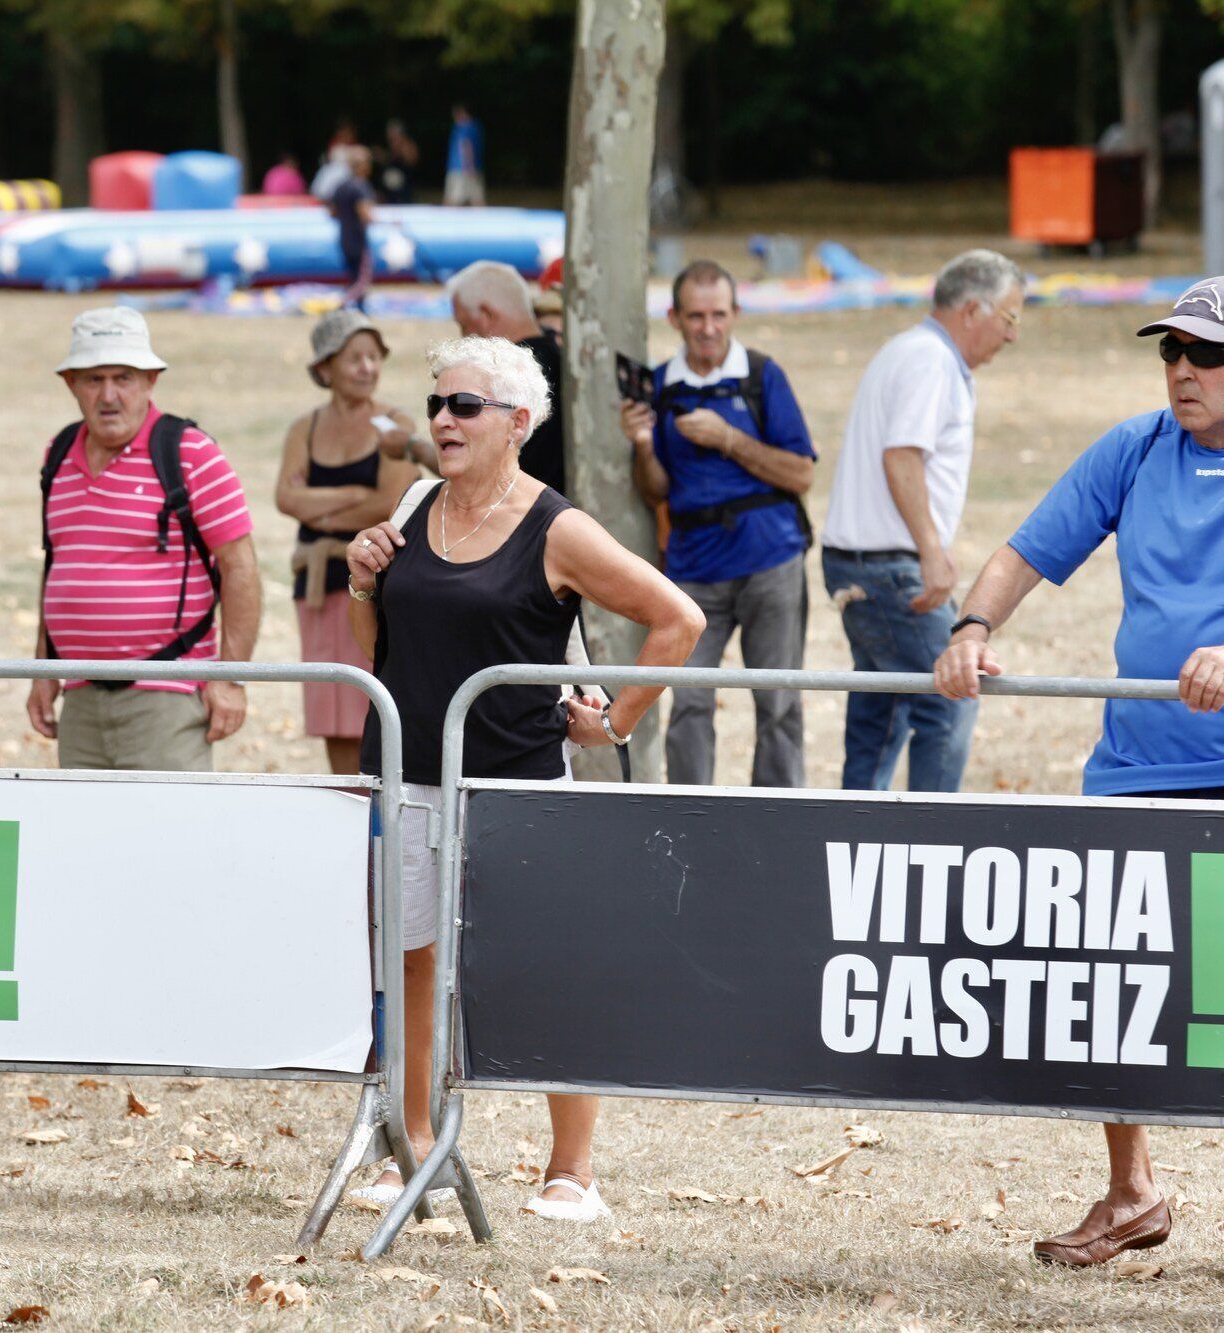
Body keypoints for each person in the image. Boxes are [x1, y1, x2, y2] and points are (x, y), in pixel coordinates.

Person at [933, 277, 1224, 1287]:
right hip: (1136, 763)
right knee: (1110, 986)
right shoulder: (1132, 450)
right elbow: (1024, 551)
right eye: (1169, 351)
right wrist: (970, 628)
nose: (1181, 369)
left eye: (1207, 354)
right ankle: (1131, 1192)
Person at [343, 335, 705, 1222]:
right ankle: (414, 1146)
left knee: (543, 971)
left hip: (517, 789)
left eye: (464, 406)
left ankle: (573, 1170)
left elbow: (678, 619)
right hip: (410, 778)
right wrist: (360, 585)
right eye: (437, 403)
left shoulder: (559, 527)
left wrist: (615, 719)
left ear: (517, 422)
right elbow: (379, 657)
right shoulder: (417, 502)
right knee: (413, 963)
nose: (442, 419)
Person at [821, 249, 1024, 792]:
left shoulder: (912, 351)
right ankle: (932, 834)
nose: (1011, 336)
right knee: (953, 692)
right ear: (973, 310)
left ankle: (854, 834)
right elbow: (902, 455)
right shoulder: (930, 360)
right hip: (889, 567)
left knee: (881, 712)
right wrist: (931, 550)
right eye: (1009, 319)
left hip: (863, 562)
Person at [26, 309, 262, 772]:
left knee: (170, 840)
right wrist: (43, 671)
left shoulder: (190, 453)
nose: (109, 395)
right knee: (84, 840)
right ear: (71, 383)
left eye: (124, 378)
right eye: (94, 379)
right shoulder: (57, 455)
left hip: (168, 699)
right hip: (80, 698)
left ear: (151, 380)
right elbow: (59, 567)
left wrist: (231, 679)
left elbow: (242, 567)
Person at [622, 260, 818, 787]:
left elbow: (801, 473)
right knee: (687, 702)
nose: (708, 328)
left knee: (777, 701)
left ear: (735, 314)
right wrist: (642, 444)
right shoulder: (659, 386)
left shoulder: (760, 375)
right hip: (693, 564)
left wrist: (729, 439)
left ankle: (776, 816)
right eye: (696, 316)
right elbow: (655, 491)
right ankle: (692, 817)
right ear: (674, 318)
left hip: (770, 556)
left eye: (718, 315)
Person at [275, 310, 417, 773]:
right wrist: (354, 494)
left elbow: (389, 504)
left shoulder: (395, 426)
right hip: (316, 586)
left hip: (374, 585)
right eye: (354, 358)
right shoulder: (305, 428)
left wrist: (322, 501)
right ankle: (348, 806)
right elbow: (285, 498)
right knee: (330, 707)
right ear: (325, 368)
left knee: (374, 702)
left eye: (374, 357)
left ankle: (384, 811)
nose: (367, 368)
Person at [445, 260, 565, 495]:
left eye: (465, 325)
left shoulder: (503, 379)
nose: (464, 338)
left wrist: (414, 447)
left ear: (487, 315)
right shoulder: (560, 360)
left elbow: (479, 475)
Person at [331, 147, 377, 310]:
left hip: (344, 237)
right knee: (362, 279)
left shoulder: (340, 186)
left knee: (352, 276)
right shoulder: (361, 187)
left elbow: (332, 212)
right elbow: (365, 214)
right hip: (358, 238)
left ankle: (358, 308)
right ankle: (344, 304)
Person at [444, 104, 485, 207]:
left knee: (454, 200)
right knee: (475, 198)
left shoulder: (465, 127)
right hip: (461, 168)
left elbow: (466, 146)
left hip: (462, 169)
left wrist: (469, 166)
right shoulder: (474, 126)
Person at [379, 119, 419, 203]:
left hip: (404, 191)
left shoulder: (408, 145)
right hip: (389, 192)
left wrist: (401, 146)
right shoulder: (390, 146)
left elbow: (412, 160)